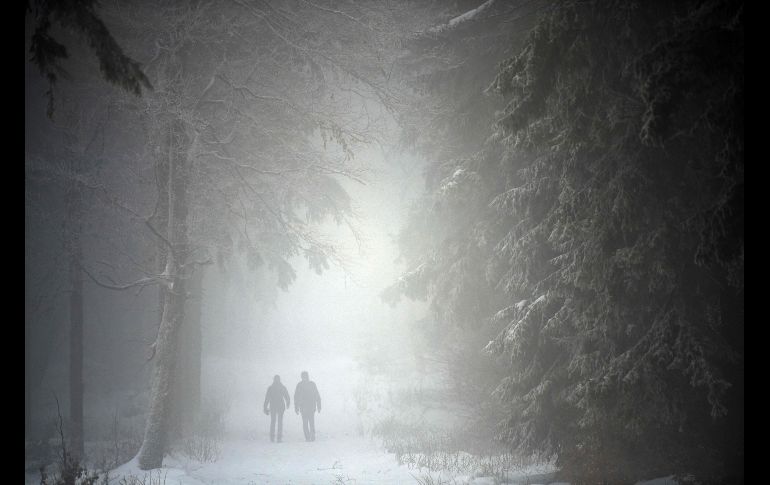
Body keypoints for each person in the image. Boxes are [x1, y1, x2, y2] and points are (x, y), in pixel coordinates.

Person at [294, 371, 322, 441]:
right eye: (303, 377)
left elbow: (317, 395)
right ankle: (309, 437)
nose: (304, 378)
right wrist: (296, 407)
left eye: (304, 376)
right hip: (306, 407)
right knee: (307, 423)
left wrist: (319, 406)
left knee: (309, 422)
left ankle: (310, 436)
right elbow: (296, 397)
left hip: (308, 407)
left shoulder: (302, 385)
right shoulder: (310, 384)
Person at [263, 375, 290, 442]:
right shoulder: (282, 387)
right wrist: (288, 403)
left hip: (274, 406)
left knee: (273, 422)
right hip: (280, 406)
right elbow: (287, 396)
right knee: (279, 422)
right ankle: (278, 438)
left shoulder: (271, 388)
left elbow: (267, 398)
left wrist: (265, 407)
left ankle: (273, 437)